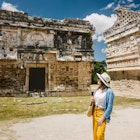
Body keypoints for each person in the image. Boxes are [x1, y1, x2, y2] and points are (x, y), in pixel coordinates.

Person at [91, 72, 115, 140]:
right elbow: (96, 101)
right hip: (95, 113)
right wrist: (93, 101)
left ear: (102, 81)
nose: (98, 79)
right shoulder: (97, 90)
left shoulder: (110, 92)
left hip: (102, 114)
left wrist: (103, 118)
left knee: (100, 135)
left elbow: (110, 108)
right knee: (95, 135)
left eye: (99, 78)